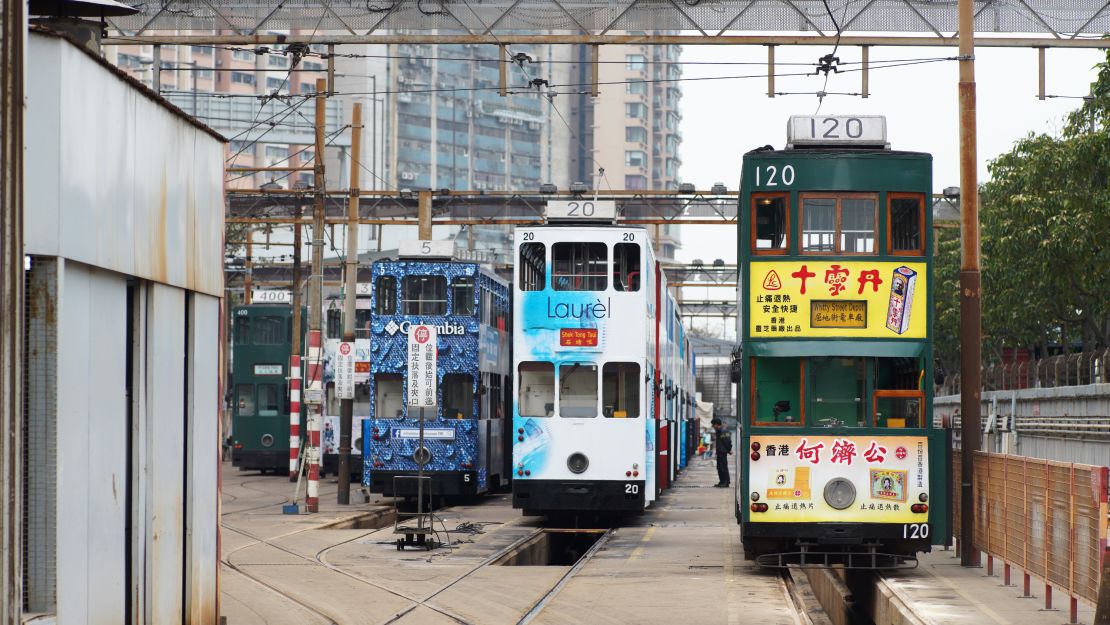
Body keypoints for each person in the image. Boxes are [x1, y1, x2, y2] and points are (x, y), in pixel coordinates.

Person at [711, 417, 732, 487]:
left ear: (716, 424)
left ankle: (726, 482)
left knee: (723, 467)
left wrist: (729, 450)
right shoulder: (719, 431)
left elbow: (727, 441)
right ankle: (722, 481)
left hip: (722, 452)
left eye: (713, 425)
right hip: (720, 452)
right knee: (719, 468)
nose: (713, 427)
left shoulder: (723, 431)